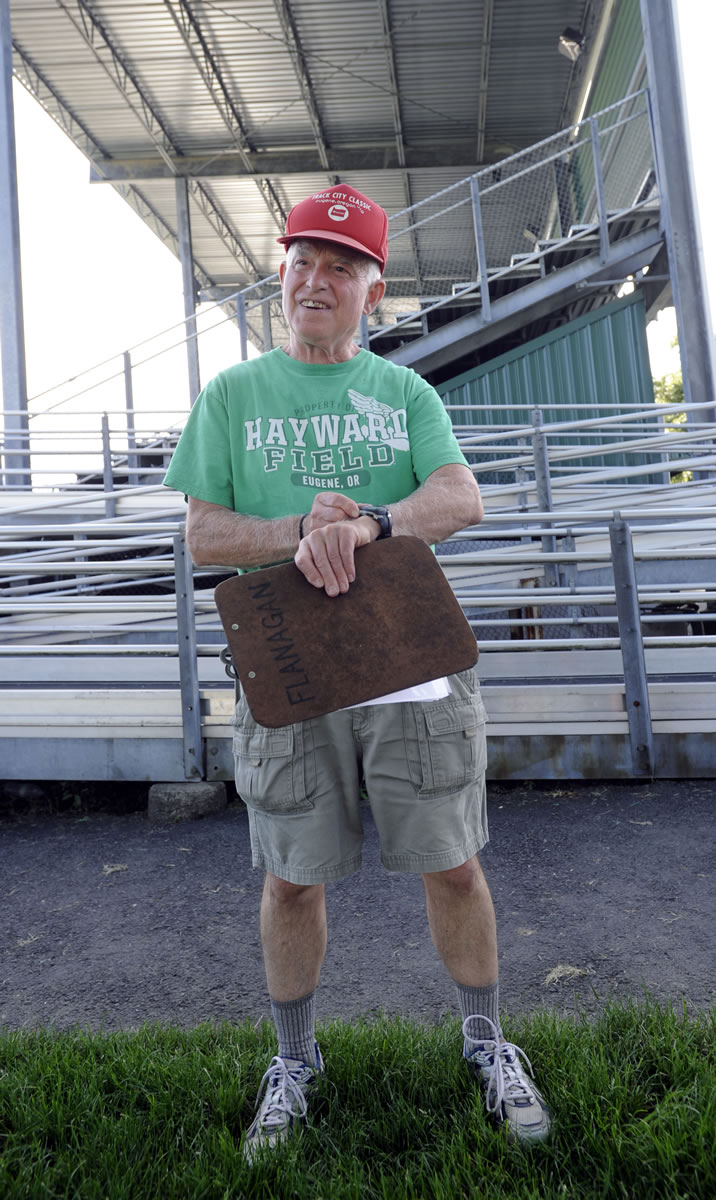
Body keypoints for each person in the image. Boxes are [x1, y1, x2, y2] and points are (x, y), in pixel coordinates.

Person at [163, 184, 550, 1157]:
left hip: (404, 654)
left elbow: (459, 497)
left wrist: (368, 526)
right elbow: (203, 533)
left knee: (451, 861)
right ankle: (293, 1062)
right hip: (287, 659)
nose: (313, 278)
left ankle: (485, 1041)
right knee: (292, 877)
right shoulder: (232, 396)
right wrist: (298, 531)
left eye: (340, 265)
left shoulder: (403, 394)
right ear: (281, 273)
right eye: (300, 258)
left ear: (372, 291)